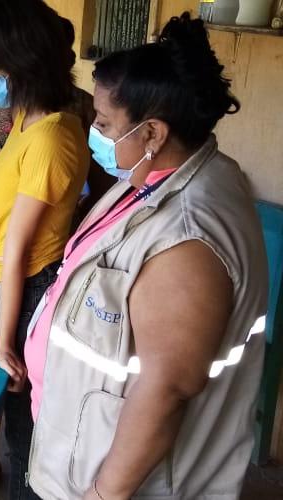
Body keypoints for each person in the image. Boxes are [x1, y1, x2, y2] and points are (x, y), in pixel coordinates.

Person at [25, 13, 268, 499]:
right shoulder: (153, 180)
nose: (93, 131)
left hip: (118, 480)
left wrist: (105, 494)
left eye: (103, 122)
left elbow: (166, 389)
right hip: (83, 441)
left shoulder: (187, 240)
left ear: (153, 133)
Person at [0, 15, 114, 491]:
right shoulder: (27, 118)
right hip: (4, 278)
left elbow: (20, 250)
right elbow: (2, 213)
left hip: (27, 286)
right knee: (8, 404)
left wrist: (6, 342)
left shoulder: (53, 136)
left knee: (26, 427)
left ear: (22, 67)